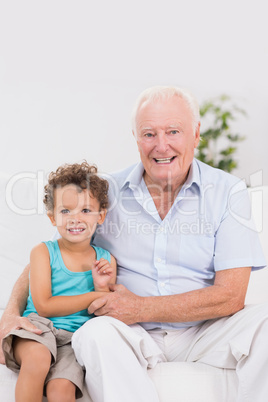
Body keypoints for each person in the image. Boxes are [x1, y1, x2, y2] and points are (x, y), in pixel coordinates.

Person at [0, 86, 267, 402]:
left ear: (196, 134)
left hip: (207, 330)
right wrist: (9, 315)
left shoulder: (228, 191)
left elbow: (231, 295)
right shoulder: (105, 194)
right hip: (131, 333)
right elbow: (50, 254)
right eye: (149, 134)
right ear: (135, 138)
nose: (161, 145)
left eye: (173, 131)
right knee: (93, 335)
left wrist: (141, 307)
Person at [1, 161, 116, 402]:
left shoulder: (105, 260)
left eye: (85, 210)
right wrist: (95, 296)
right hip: (38, 328)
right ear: (53, 218)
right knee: (38, 358)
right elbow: (44, 305)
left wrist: (100, 286)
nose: (75, 219)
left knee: (62, 388)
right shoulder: (43, 252)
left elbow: (103, 308)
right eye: (66, 211)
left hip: (73, 340)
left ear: (101, 216)